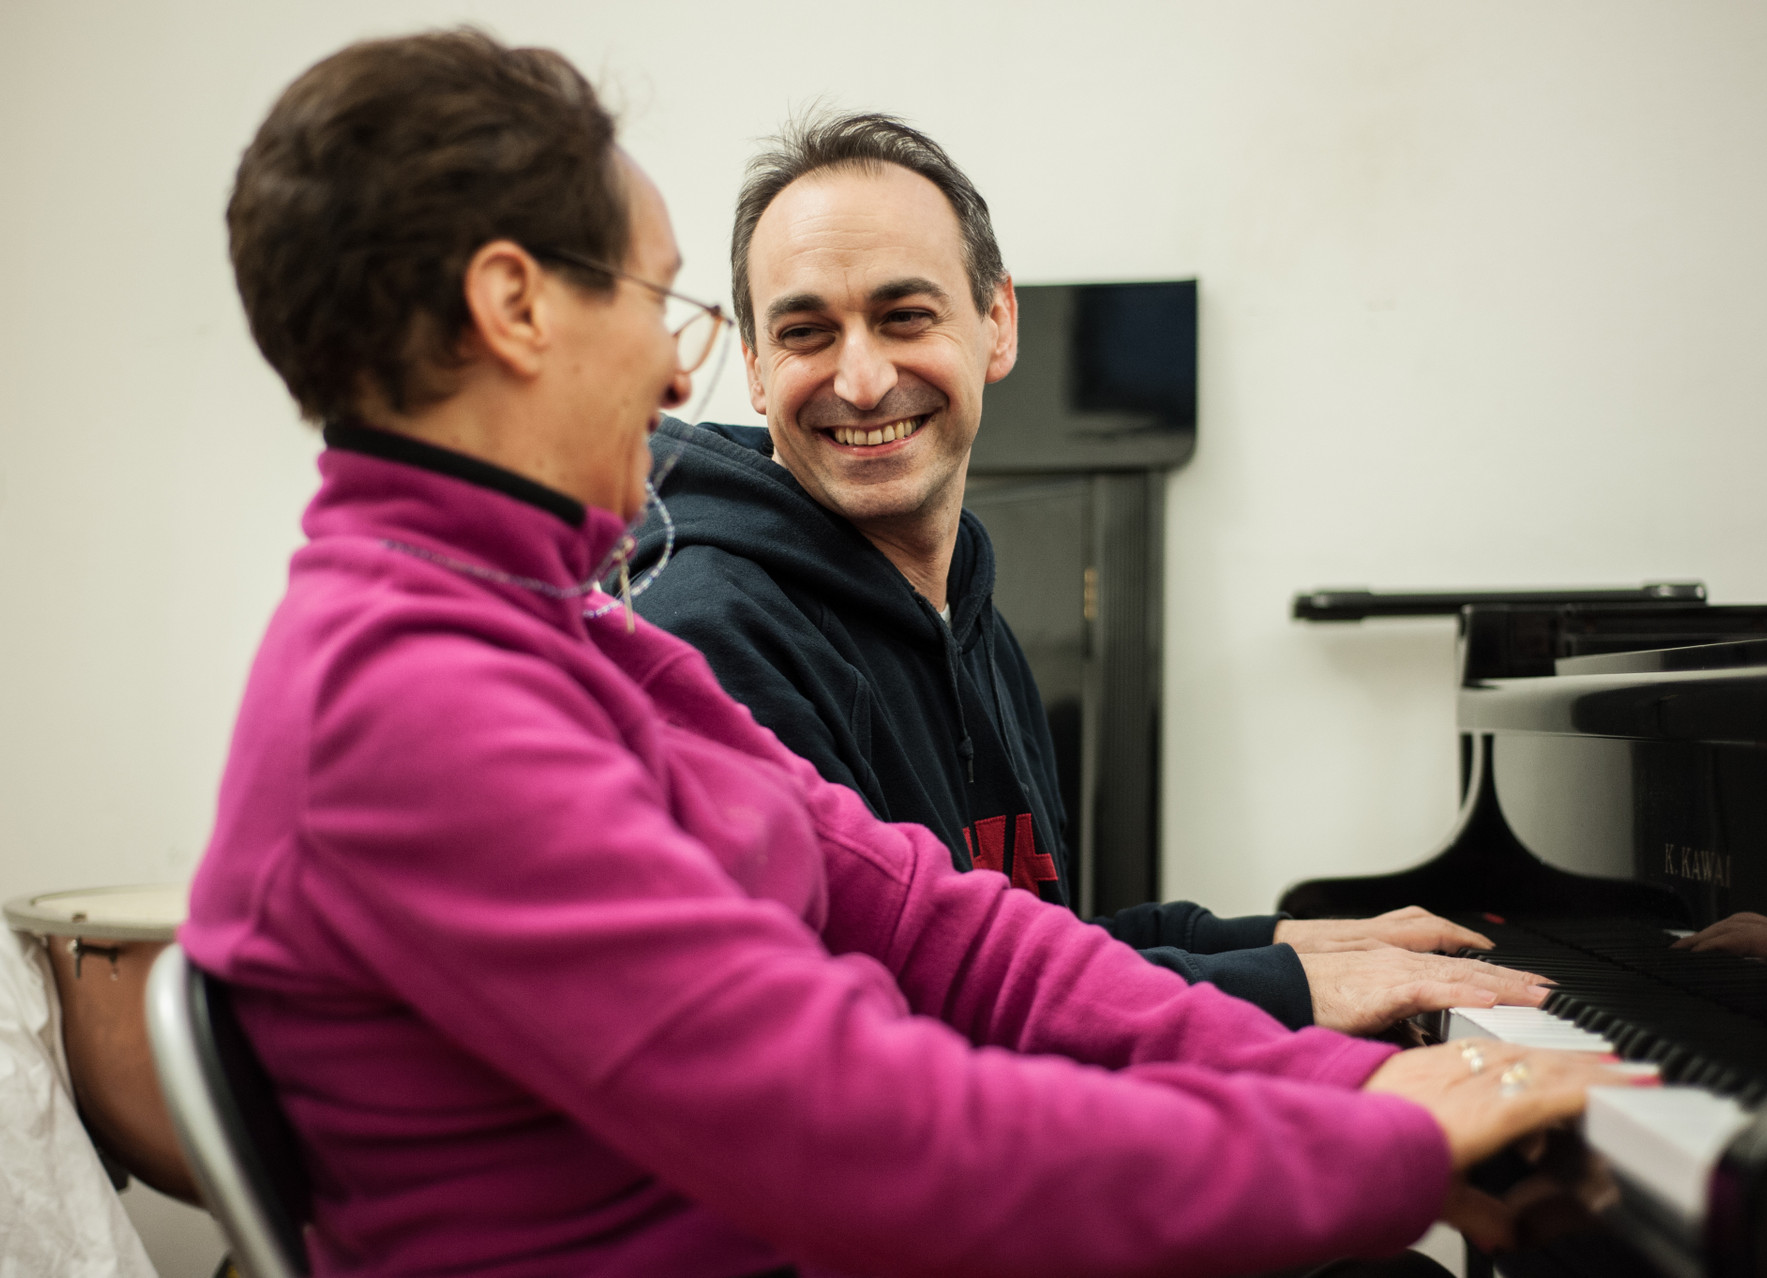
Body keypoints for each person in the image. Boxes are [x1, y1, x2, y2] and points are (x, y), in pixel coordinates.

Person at [184, 29, 1640, 1277]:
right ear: (513, 306)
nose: (685, 369)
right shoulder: (410, 701)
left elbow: (948, 930)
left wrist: (1365, 1075)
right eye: (661, 298)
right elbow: (843, 1121)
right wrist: (1372, 1140)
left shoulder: (559, 633)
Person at [631, 113, 1546, 1034]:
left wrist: (1278, 942)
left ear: (997, 324)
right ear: (754, 368)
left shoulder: (961, 609)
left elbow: (1042, 944)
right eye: (806, 333)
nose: (862, 380)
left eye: (905, 316)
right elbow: (889, 1028)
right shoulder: (707, 632)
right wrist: (1286, 991)